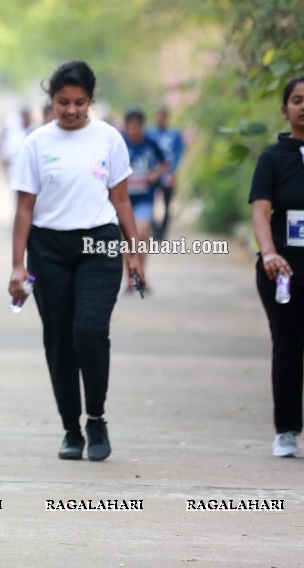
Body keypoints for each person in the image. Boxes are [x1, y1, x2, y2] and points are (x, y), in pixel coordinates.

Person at [9, 60, 144, 462]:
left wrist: (134, 253)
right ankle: (71, 428)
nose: (70, 110)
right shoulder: (36, 143)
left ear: (90, 100)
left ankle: (96, 418)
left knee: (88, 331)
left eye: (79, 102)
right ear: (51, 99)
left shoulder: (109, 139)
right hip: (48, 249)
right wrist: (18, 265)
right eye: (63, 102)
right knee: (59, 341)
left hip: (100, 245)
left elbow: (121, 200)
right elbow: (23, 210)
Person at [249, 76, 304, 465]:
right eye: (297, 101)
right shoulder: (272, 159)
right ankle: (286, 431)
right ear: (285, 110)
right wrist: (269, 254)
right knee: (287, 347)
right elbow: (260, 210)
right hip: (281, 270)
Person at [122, 109, 168, 285]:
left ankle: (141, 274)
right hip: (124, 199)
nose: (134, 130)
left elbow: (164, 164)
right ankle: (130, 277)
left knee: (140, 235)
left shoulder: (150, 143)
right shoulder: (120, 143)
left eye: (137, 126)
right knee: (127, 239)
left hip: (145, 197)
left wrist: (154, 175)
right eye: (130, 127)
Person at [148, 107, 185, 242]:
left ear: (166, 118)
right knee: (149, 203)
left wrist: (174, 171)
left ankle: (162, 233)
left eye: (162, 117)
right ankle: (154, 230)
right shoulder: (150, 134)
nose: (160, 119)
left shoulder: (174, 134)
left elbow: (179, 153)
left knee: (167, 205)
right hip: (153, 174)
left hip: (168, 174)